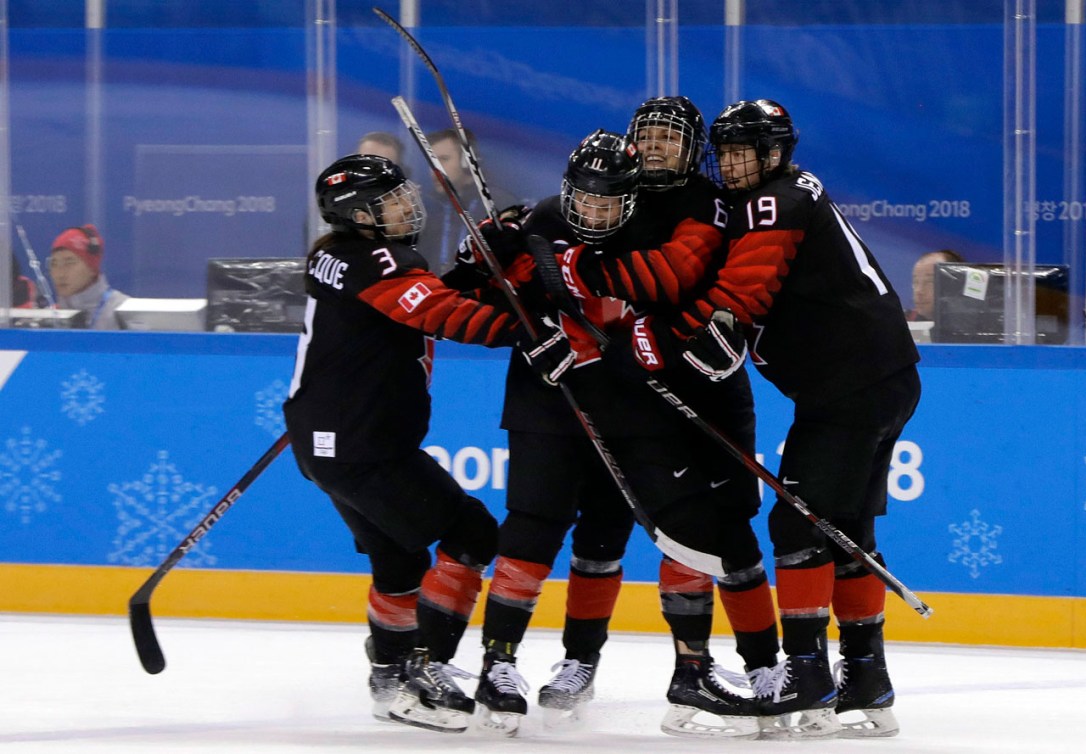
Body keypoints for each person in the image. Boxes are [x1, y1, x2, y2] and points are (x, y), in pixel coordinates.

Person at [464, 127, 774, 740]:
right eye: (584, 199)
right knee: (531, 529)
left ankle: (668, 668)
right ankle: (499, 665)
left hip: (631, 410)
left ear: (630, 199)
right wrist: (483, 256)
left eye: (607, 202)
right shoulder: (541, 220)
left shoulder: (655, 235)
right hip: (547, 407)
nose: (593, 212)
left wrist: (648, 352)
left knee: (650, 535)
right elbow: (479, 293)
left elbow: (673, 297)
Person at [624, 99, 921, 739]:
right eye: (726, 152)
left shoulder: (773, 202)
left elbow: (745, 290)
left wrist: (681, 336)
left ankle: (807, 676)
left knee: (797, 524)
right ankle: (867, 679)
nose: (732, 164)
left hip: (850, 387)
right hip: (877, 379)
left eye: (745, 152)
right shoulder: (786, 192)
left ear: (777, 152)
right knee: (847, 530)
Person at [282, 153, 569, 735]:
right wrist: (524, 331)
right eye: (389, 202)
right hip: (361, 447)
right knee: (472, 532)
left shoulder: (341, 256)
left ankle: (389, 676)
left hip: (334, 440)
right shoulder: (372, 260)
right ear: (358, 216)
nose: (406, 206)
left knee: (400, 559)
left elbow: (422, 296)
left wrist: (472, 264)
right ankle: (423, 671)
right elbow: (438, 311)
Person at [546, 97, 783, 736]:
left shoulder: (708, 202)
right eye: (646, 135)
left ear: (693, 150)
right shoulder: (604, 196)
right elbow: (542, 231)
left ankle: (759, 667)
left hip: (709, 385)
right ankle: (580, 660)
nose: (655, 146)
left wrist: (583, 271)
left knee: (726, 529)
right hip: (626, 393)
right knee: (605, 525)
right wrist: (518, 238)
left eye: (669, 138)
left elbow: (676, 274)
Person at [416, 128, 519, 274]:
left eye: (443, 159)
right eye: (431, 162)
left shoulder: (497, 203)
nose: (435, 169)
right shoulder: (428, 207)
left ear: (466, 161)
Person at [47, 225, 129, 329]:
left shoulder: (123, 311)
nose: (60, 274)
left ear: (92, 268)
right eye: (54, 264)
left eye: (69, 263)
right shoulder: (48, 316)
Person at [908, 248, 964, 321]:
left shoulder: (975, 324)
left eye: (930, 282)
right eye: (916, 282)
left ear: (955, 285)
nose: (919, 291)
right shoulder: (905, 322)